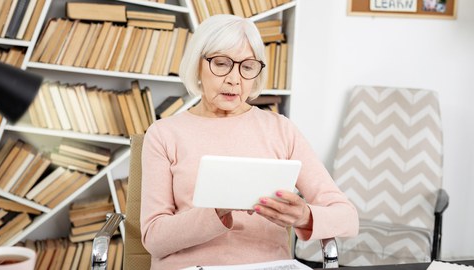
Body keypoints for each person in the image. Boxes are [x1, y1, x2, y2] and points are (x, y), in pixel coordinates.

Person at [140, 14, 359, 270]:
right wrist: (216, 211)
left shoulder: (280, 129)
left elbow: (348, 218)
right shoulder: (164, 134)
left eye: (247, 67)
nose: (234, 79)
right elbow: (153, 239)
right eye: (221, 64)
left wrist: (305, 216)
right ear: (197, 65)